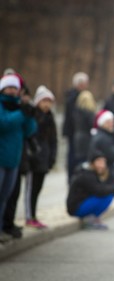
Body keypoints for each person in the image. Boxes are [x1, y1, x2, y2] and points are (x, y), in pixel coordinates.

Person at [0, 74, 37, 243]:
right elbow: (4, 123)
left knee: (5, 197)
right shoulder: (3, 105)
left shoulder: (18, 106)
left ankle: (2, 229)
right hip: (1, 159)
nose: (12, 91)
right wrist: (22, 113)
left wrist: (29, 115)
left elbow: (29, 130)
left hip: (13, 161)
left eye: (15, 88)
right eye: (9, 87)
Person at [24, 85, 57, 229]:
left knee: (37, 190)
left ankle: (34, 216)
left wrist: (52, 157)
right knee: (30, 190)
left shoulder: (51, 117)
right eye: (44, 101)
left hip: (44, 158)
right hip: (33, 159)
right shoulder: (33, 116)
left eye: (49, 101)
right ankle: (29, 217)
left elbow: (53, 140)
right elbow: (31, 136)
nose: (47, 104)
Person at [66, 151, 114, 230]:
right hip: (75, 208)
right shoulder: (86, 174)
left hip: (85, 202)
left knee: (109, 193)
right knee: (108, 195)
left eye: (103, 162)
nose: (101, 165)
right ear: (92, 163)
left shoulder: (103, 173)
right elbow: (100, 191)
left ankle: (92, 218)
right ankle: (89, 220)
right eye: (99, 162)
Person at [62, 72, 89, 182]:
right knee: (74, 156)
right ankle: (72, 177)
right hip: (74, 131)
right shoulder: (73, 97)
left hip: (78, 132)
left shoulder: (78, 96)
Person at [88, 109, 114, 177]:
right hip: (104, 171)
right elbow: (112, 155)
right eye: (109, 122)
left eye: (112, 121)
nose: (112, 124)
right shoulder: (103, 138)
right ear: (102, 123)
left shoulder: (101, 135)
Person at [73, 90, 97, 166]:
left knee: (80, 160)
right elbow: (92, 125)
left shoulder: (76, 112)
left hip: (77, 137)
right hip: (87, 137)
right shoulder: (89, 113)